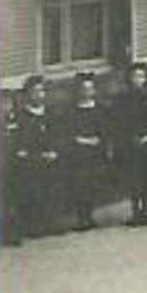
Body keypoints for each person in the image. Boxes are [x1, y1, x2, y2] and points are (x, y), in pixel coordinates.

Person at [4, 75, 60, 242]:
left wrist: (55, 151)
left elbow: (58, 136)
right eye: (35, 91)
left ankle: (49, 221)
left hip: (50, 158)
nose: (39, 95)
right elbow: (19, 144)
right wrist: (35, 155)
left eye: (42, 91)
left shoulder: (51, 114)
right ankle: (32, 224)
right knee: (30, 183)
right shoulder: (21, 117)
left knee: (53, 181)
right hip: (29, 160)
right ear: (27, 94)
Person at [113, 62, 147, 227]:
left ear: (146, 79)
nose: (137, 80)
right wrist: (129, 138)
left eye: (141, 76)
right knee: (133, 177)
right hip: (130, 143)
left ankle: (146, 209)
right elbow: (118, 123)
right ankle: (135, 210)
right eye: (134, 76)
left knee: (145, 177)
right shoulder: (122, 99)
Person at [62, 73, 106, 232]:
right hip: (78, 153)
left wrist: (100, 140)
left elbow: (105, 130)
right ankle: (81, 216)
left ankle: (89, 214)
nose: (86, 91)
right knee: (79, 184)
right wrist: (79, 141)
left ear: (94, 90)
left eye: (90, 88)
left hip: (94, 152)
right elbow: (67, 132)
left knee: (92, 184)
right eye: (83, 88)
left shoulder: (100, 109)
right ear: (77, 91)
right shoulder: (71, 111)